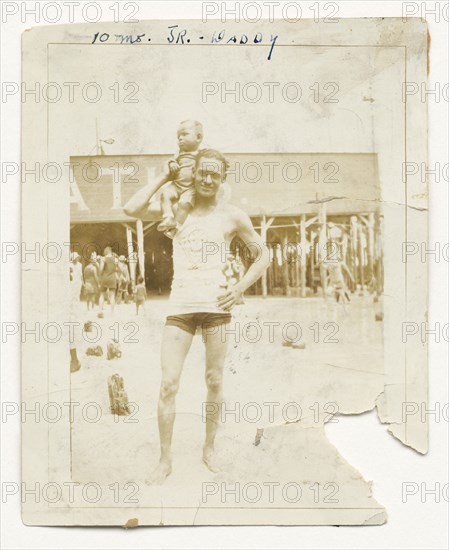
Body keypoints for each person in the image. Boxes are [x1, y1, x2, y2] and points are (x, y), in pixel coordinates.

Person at [126, 148, 270, 484]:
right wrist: (164, 175)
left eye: (214, 174)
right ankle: (164, 460)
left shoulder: (232, 215)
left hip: (217, 309)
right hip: (181, 309)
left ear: (222, 178)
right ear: (194, 174)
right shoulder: (179, 209)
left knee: (215, 380)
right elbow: (130, 209)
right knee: (168, 385)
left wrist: (241, 288)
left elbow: (263, 255)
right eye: (202, 172)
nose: (207, 178)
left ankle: (209, 447)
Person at [99, 246, 119, 314]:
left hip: (105, 277)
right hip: (112, 278)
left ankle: (100, 311)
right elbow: (117, 269)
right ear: (111, 251)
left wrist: (100, 275)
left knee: (101, 295)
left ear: (106, 252)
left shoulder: (103, 259)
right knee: (112, 296)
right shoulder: (116, 259)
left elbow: (101, 269)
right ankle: (112, 313)